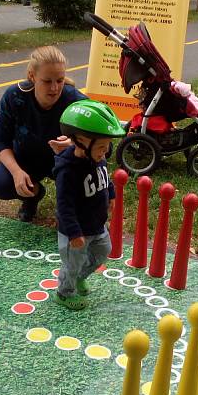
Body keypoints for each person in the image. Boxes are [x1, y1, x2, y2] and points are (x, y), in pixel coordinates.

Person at [0, 46, 86, 222]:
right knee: (1, 184)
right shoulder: (14, 97)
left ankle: (72, 206)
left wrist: (75, 145)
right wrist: (17, 172)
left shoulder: (75, 101)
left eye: (60, 80)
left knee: (84, 183)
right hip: (26, 159)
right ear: (32, 76)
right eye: (47, 81)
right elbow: (0, 140)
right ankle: (32, 196)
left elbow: (104, 144)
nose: (55, 88)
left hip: (65, 162)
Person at [53, 101, 125, 311]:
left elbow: (105, 177)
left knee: (103, 251)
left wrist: (110, 193)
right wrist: (74, 234)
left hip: (96, 225)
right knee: (72, 264)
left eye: (107, 146)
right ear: (83, 141)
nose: (106, 151)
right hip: (74, 232)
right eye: (102, 146)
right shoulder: (68, 171)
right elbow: (64, 205)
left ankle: (77, 279)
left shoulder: (97, 156)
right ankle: (64, 293)